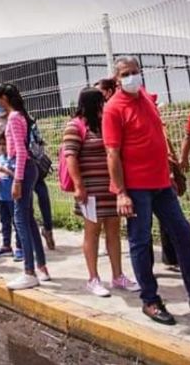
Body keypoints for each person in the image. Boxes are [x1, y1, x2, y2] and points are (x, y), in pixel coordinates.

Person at [103, 56, 190, 325]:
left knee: (183, 234)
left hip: (162, 184)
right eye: (126, 73)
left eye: (135, 71)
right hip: (136, 188)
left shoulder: (145, 98)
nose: (132, 77)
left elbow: (158, 137)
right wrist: (121, 192)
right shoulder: (113, 109)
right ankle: (150, 301)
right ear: (116, 79)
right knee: (141, 242)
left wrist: (171, 170)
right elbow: (112, 154)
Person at [63, 87, 140, 297]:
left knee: (114, 232)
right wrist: (79, 186)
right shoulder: (75, 126)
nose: (105, 105)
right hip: (91, 191)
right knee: (92, 233)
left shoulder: (104, 125)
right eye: (101, 102)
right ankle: (93, 278)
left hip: (111, 189)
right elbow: (70, 157)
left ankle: (118, 276)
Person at [0, 83, 50, 290]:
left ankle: (29, 271)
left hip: (22, 170)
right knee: (28, 219)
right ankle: (41, 267)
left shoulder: (15, 118)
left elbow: (21, 152)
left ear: (4, 99)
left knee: (20, 220)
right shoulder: (20, 116)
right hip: (26, 170)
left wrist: (16, 181)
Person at [0, 133, 23, 261]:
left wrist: (6, 171)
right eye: (1, 144)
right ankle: (6, 245)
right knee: (4, 222)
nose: (3, 147)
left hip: (12, 197)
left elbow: (17, 175)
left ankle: (20, 247)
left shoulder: (13, 159)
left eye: (5, 144)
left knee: (16, 222)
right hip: (2, 196)